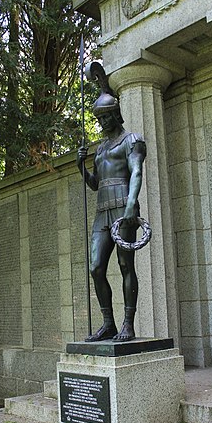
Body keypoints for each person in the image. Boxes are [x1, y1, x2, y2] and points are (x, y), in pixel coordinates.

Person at [77, 77, 146, 342]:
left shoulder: (132, 140)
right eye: (100, 119)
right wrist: (81, 166)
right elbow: (95, 184)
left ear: (116, 115)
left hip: (123, 208)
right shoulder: (101, 148)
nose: (103, 123)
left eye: (107, 117)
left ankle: (128, 325)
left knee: (125, 264)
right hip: (102, 210)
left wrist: (131, 205)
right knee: (96, 268)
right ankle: (109, 324)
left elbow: (137, 172)